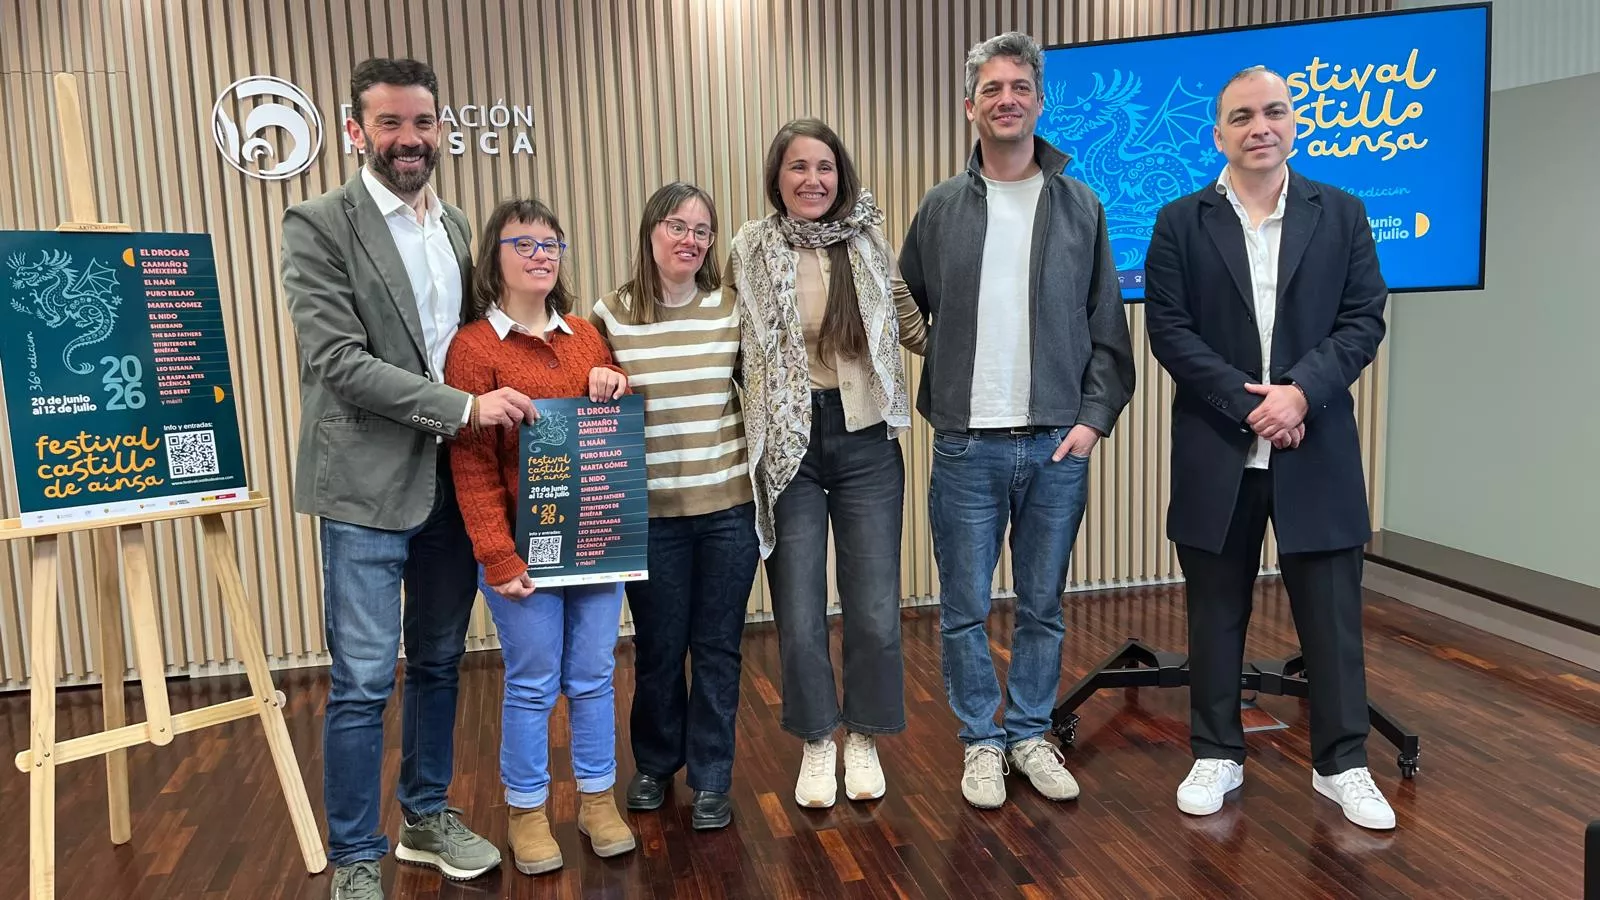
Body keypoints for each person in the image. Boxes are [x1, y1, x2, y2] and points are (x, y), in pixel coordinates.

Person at [281, 57, 519, 900]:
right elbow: (338, 362)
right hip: (364, 493)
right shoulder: (316, 223)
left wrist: (577, 365)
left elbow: (483, 341)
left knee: (442, 661)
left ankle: (425, 816)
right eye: (390, 124)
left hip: (451, 489)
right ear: (356, 131)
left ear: (442, 129)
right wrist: (463, 408)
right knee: (362, 682)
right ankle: (355, 853)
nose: (409, 139)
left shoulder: (456, 226)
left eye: (423, 123)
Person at [1143, 65, 1395, 830]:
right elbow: (1170, 330)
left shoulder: (1341, 213)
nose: (1261, 126)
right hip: (1218, 445)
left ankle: (1343, 764)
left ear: (1294, 124)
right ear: (1217, 134)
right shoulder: (1179, 221)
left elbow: (1363, 320)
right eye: (1243, 116)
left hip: (1314, 445)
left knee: (1331, 616)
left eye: (1275, 112)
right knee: (1215, 613)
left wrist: (1297, 395)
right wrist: (1250, 407)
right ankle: (1216, 752)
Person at [897, 32, 1136, 810]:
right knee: (964, 607)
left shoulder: (1080, 204)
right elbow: (903, 304)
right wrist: (945, 363)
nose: (1006, 100)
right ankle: (980, 741)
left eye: (1019, 87)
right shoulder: (939, 207)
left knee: (1043, 605)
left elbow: (1109, 328)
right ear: (971, 106)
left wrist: (1094, 422)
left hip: (1057, 444)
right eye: (991, 89)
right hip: (966, 444)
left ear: (1039, 100)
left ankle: (1030, 731)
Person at [729, 118, 927, 809]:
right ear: (776, 178)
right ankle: (818, 739)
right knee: (800, 605)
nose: (812, 180)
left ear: (840, 175)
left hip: (866, 440)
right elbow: (724, 341)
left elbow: (909, 324)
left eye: (824, 167)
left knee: (873, 608)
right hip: (788, 444)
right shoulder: (747, 249)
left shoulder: (868, 243)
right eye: (797, 167)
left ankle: (865, 736)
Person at [445, 199, 639, 874]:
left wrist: (615, 380)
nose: (540, 255)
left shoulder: (584, 335)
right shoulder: (473, 348)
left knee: (593, 678)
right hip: (523, 555)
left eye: (550, 243)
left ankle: (596, 799)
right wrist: (496, 556)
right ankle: (526, 810)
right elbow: (468, 465)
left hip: (595, 542)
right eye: (523, 243)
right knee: (531, 684)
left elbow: (612, 427)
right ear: (493, 256)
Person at [588, 182, 757, 831]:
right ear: (650, 231)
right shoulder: (614, 312)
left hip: (727, 511)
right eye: (677, 226)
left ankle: (712, 776)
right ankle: (657, 764)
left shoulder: (730, 308)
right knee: (658, 648)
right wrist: (600, 378)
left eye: (702, 230)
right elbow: (588, 382)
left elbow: (770, 388)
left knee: (717, 647)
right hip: (650, 515)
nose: (689, 240)